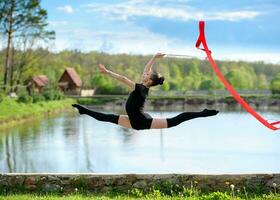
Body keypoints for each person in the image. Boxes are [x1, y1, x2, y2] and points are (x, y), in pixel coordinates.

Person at [72, 53, 219, 130]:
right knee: (108, 117)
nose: (144, 74)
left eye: (146, 76)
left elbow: (123, 78)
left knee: (175, 120)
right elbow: (146, 69)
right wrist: (154, 57)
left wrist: (107, 72)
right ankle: (84, 110)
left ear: (149, 81)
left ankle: (203, 113)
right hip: (134, 119)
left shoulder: (141, 88)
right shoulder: (143, 86)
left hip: (141, 121)